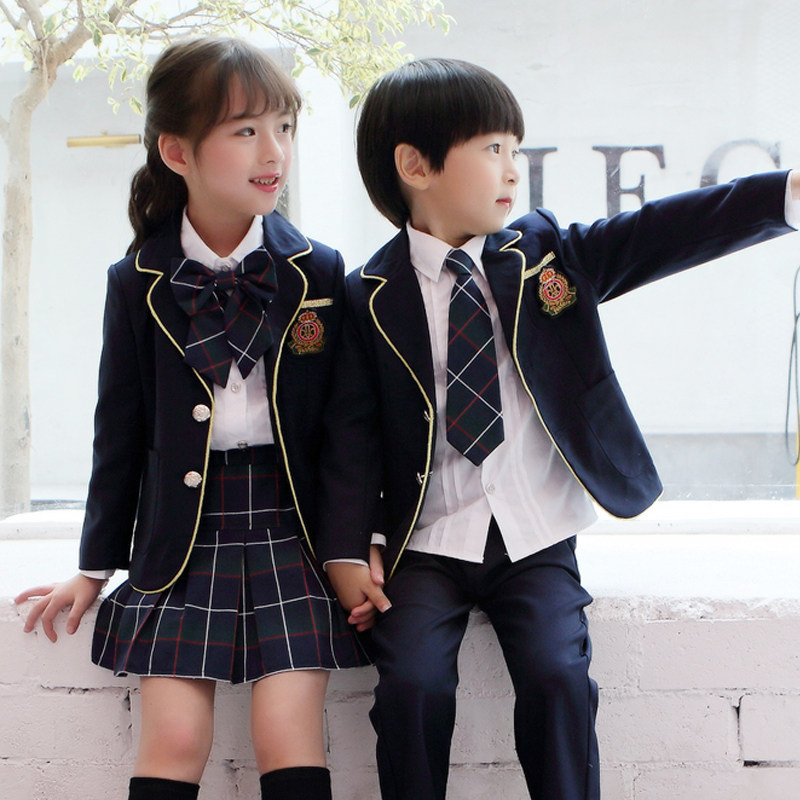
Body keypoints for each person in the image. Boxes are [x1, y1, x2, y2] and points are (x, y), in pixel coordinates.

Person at [316, 57, 800, 800]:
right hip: (427, 543)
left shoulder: (543, 252)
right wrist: (350, 550)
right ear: (415, 166)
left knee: (557, 676)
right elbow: (351, 436)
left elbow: (656, 233)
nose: (513, 168)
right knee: (412, 685)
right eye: (492, 148)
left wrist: (784, 195)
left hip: (534, 537)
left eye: (516, 148)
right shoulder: (368, 295)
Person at [15, 37, 371, 800]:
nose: (274, 150)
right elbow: (119, 430)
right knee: (174, 738)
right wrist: (94, 565)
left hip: (289, 528)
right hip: (182, 535)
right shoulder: (137, 280)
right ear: (177, 151)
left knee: (286, 731)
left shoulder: (318, 270)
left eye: (283, 126)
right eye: (246, 130)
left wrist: (350, 550)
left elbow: (347, 431)